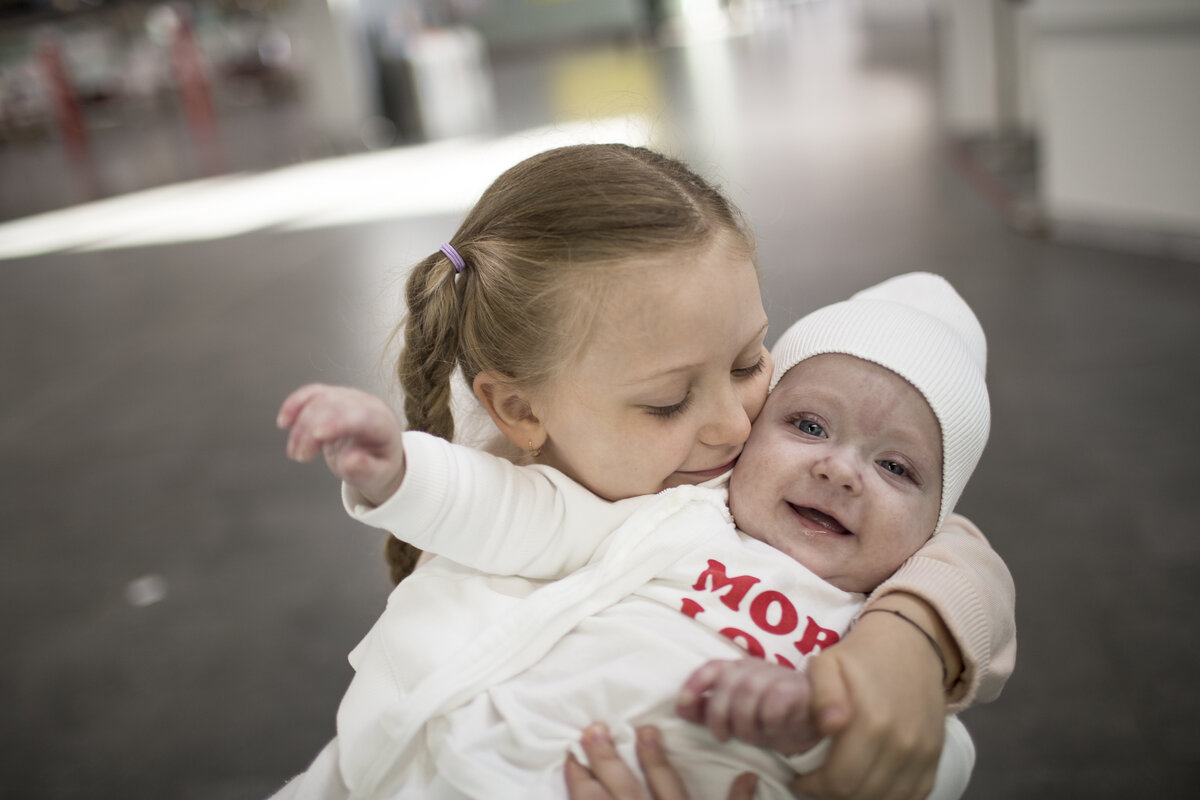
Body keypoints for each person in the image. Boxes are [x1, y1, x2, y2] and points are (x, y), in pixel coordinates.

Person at [272, 145, 1015, 798]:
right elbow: (505, 508)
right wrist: (400, 470)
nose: (733, 425)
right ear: (520, 411)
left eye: (752, 363)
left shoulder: (826, 557)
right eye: (668, 403)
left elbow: (955, 591)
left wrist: (889, 665)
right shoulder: (652, 505)